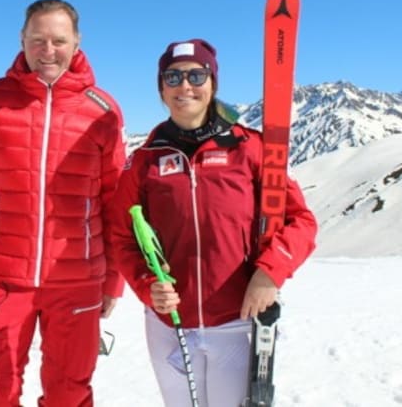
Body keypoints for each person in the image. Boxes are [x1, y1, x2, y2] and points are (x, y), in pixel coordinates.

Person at [108, 38, 317, 406]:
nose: (184, 86)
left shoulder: (251, 148)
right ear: (160, 89)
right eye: (172, 77)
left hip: (236, 320)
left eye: (196, 75)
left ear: (213, 84)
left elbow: (300, 220)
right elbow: (121, 235)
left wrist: (270, 272)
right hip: (169, 322)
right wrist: (146, 285)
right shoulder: (144, 160)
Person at [0, 0, 127, 407]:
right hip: (1, 277)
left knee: (70, 392)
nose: (48, 51)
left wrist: (113, 278)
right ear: (22, 40)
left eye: (58, 40)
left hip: (78, 280)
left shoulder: (102, 110)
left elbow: (115, 201)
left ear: (77, 42)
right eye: (38, 40)